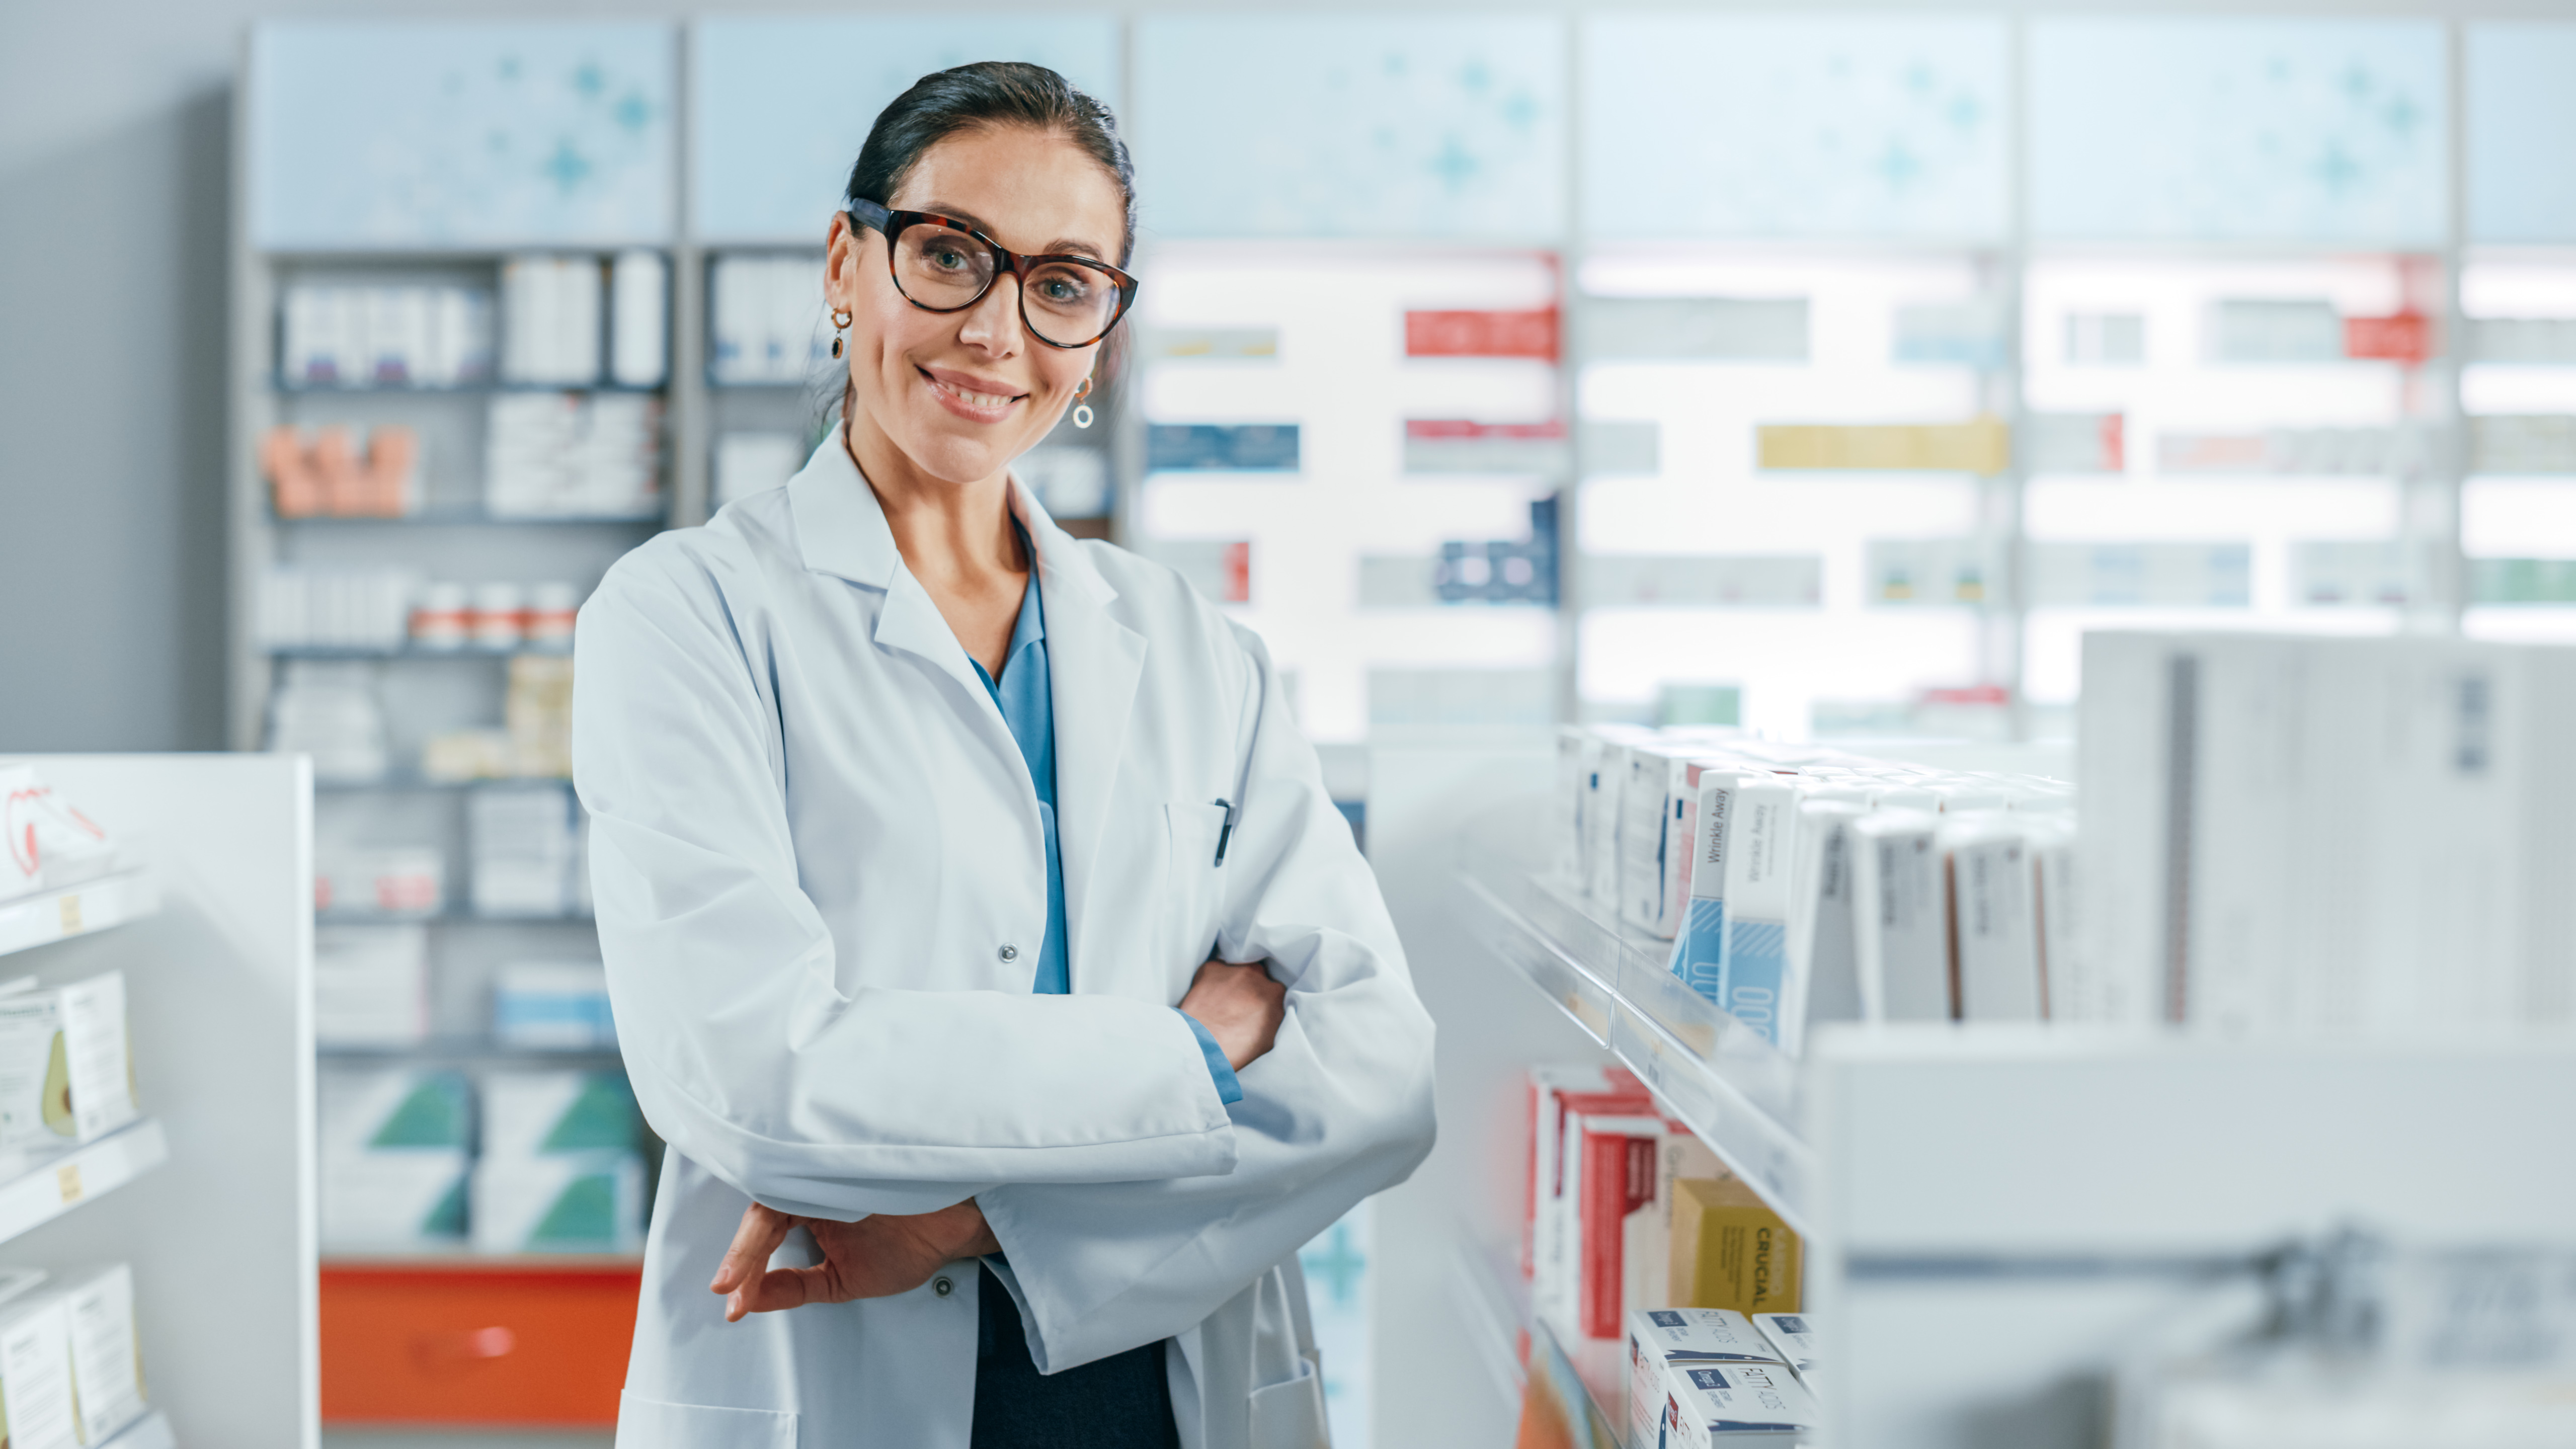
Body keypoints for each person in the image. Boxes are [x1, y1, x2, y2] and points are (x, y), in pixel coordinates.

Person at [571, 61, 1438, 1449]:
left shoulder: (1189, 646)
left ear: (1099, 336)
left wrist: (972, 1221)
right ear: (847, 263)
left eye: (1063, 283)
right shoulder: (689, 616)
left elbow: (1383, 1077)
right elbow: (753, 1079)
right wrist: (1196, 1048)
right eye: (950, 255)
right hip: (828, 1375)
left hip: (1162, 1382)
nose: (995, 330)